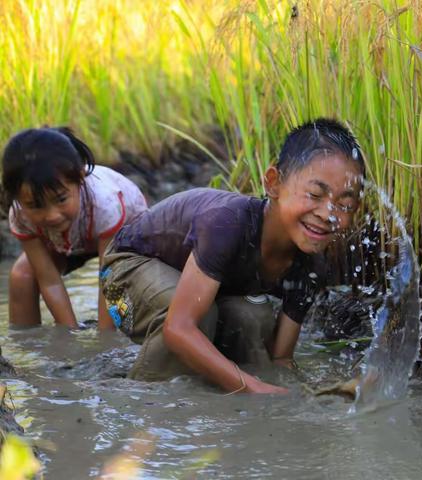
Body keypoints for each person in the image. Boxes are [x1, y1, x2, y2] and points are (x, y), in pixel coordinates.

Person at [101, 117, 365, 393]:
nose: (328, 214)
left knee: (254, 319)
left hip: (195, 289)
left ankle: (215, 397)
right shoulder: (226, 223)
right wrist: (251, 388)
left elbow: (281, 359)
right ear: (273, 183)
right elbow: (178, 328)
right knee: (198, 318)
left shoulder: (310, 266)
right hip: (123, 273)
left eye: (345, 205)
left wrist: (312, 394)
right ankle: (146, 407)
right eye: (314, 194)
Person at [1, 127, 148, 330]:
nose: (51, 215)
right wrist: (70, 335)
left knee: (119, 284)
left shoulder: (104, 202)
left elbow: (110, 280)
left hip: (126, 234)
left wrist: (103, 341)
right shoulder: (20, 214)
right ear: (17, 198)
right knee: (22, 275)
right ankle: (24, 344)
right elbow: (50, 281)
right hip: (69, 239)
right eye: (35, 205)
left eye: (61, 199)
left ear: (80, 178)